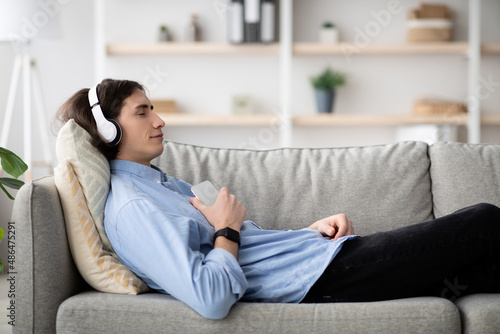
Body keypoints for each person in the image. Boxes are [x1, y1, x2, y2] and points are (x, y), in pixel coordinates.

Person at [55, 78, 500, 320]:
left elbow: (247, 249)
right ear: (109, 130)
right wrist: (226, 228)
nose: (160, 119)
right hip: (323, 278)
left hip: (320, 258)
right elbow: (210, 298)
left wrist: (306, 233)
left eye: (153, 107)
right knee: (482, 220)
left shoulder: (159, 184)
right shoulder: (133, 207)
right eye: (142, 111)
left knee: (483, 269)